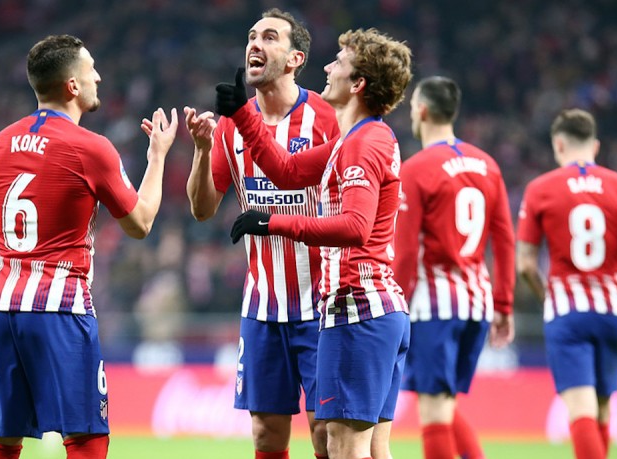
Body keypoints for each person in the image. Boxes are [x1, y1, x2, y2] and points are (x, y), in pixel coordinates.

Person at [0, 34, 178, 459]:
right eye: (91, 68)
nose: (98, 75)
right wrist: (157, 157)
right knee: (86, 437)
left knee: (1, 440)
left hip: (2, 313)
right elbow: (141, 223)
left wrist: (3, 288)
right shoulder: (91, 148)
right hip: (61, 310)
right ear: (72, 85)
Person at [218, 28, 412, 459]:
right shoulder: (357, 139)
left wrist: (274, 223)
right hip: (379, 309)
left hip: (357, 309)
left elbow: (355, 226)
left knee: (343, 449)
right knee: (373, 449)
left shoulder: (362, 144)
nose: (327, 67)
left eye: (339, 62)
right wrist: (243, 117)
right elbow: (286, 170)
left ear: (358, 83)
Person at [184, 8, 338, 459]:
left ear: (295, 58)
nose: (255, 43)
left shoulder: (325, 118)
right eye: (251, 36)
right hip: (263, 306)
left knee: (327, 436)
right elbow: (202, 208)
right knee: (266, 437)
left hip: (322, 304)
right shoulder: (231, 122)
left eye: (269, 37)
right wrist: (200, 149)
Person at [516, 109, 617, 459]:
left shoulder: (540, 189)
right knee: (603, 409)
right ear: (595, 145)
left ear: (558, 144)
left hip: (568, 311)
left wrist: (546, 295)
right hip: (612, 311)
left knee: (580, 411)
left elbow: (525, 265)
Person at [392, 76, 516, 459]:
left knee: (433, 411)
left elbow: (407, 251)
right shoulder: (487, 165)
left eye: (413, 107)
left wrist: (394, 303)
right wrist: (504, 305)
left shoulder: (417, 169)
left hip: (435, 305)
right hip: (476, 305)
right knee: (444, 404)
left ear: (423, 111)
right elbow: (504, 240)